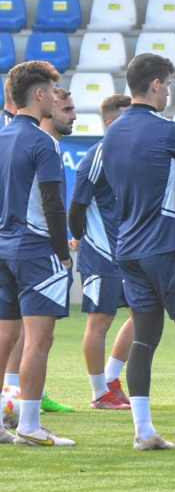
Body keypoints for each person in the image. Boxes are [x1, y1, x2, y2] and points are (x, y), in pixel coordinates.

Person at [101, 53, 175, 451]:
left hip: (128, 245)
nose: (169, 91)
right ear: (156, 84)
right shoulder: (169, 130)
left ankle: (144, 430)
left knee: (145, 335)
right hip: (168, 242)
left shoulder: (113, 132)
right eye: (168, 84)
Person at [0, 63, 74, 446]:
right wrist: (63, 252)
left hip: (3, 246)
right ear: (40, 95)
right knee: (37, 340)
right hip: (35, 249)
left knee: (4, 335)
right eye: (52, 91)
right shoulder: (44, 143)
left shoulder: (2, 137)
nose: (56, 97)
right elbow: (52, 202)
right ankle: (29, 423)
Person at [70, 94, 135, 411]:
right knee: (100, 321)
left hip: (130, 251)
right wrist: (79, 237)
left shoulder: (131, 156)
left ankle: (111, 378)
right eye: (125, 117)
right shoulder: (97, 155)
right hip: (101, 253)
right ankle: (99, 392)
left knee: (144, 313)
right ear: (110, 122)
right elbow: (77, 205)